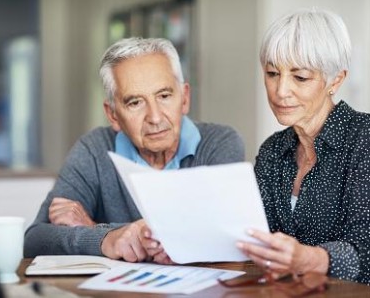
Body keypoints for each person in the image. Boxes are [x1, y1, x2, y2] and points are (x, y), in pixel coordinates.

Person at [235, 8, 370, 296]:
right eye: (272, 73)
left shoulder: (369, 137)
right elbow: (256, 238)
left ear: (335, 81)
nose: (280, 90)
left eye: (300, 77)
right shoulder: (273, 151)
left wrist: (310, 259)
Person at [24, 37, 245, 263]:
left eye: (164, 96)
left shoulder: (219, 142)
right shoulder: (94, 149)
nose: (155, 117)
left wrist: (97, 229)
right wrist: (108, 238)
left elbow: (219, 236)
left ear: (185, 98)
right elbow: (35, 240)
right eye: (135, 102)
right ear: (113, 115)